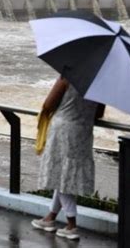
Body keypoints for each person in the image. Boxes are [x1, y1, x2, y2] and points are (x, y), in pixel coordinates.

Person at [31, 77, 105, 240]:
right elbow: (98, 113)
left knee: (62, 174)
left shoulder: (67, 78)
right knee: (66, 174)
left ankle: (71, 225)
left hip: (63, 131)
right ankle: (50, 217)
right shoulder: (99, 83)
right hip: (83, 132)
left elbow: (48, 105)